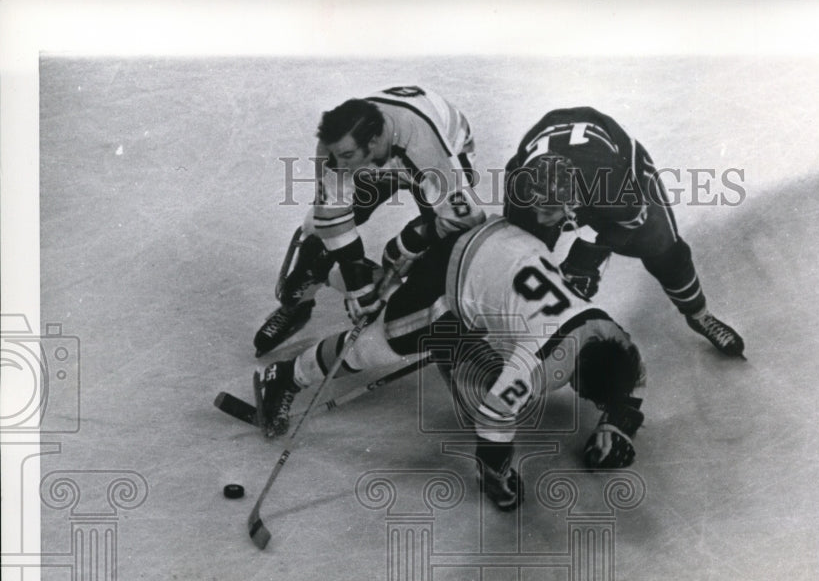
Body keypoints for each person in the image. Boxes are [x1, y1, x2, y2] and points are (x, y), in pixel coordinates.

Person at [253, 212, 647, 512]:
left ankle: (321, 265)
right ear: (576, 379)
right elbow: (494, 416)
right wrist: (496, 474)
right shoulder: (540, 363)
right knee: (377, 345)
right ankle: (287, 375)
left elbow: (635, 371)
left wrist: (618, 420)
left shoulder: (606, 329)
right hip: (453, 276)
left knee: (398, 305)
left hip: (505, 241)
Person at [253, 85, 485, 357]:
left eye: (347, 156)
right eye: (336, 154)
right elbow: (332, 215)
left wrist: (411, 241)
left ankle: (433, 315)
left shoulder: (427, 152)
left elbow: (468, 219)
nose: (338, 164)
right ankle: (300, 303)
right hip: (390, 151)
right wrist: (357, 282)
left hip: (444, 145)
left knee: (442, 246)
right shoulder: (338, 147)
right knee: (317, 232)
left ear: (373, 142)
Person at [503, 106, 745, 358]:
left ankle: (699, 314)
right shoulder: (520, 182)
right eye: (537, 208)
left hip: (620, 169)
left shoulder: (614, 187)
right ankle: (518, 326)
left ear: (571, 204)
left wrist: (590, 258)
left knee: (665, 251)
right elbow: (515, 253)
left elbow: (632, 221)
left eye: (549, 212)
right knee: (523, 251)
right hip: (577, 160)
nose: (541, 218)